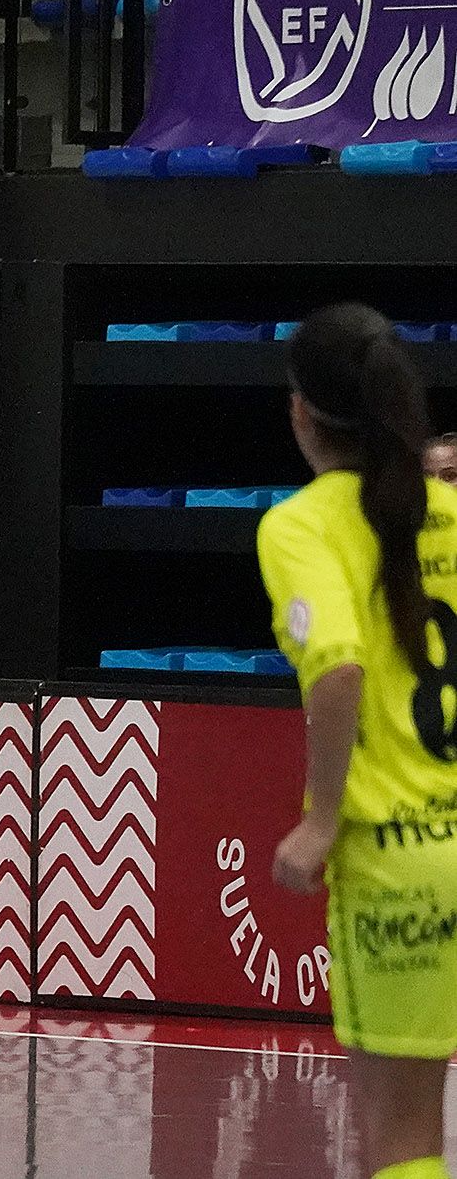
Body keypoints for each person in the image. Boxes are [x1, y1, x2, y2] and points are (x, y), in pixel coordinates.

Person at [263, 303, 457, 1179]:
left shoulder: (302, 525)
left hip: (402, 866)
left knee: (402, 1141)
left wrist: (321, 814)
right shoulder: (446, 507)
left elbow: (336, 667)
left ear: (302, 413)